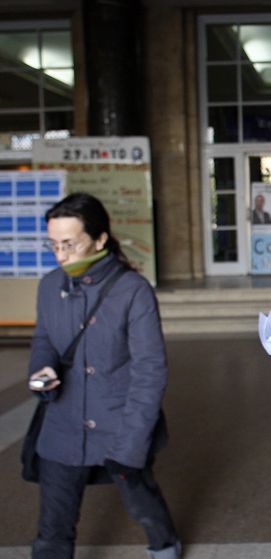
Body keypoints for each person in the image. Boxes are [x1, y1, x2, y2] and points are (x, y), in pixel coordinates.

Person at [27, 193, 180, 559]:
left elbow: (150, 371)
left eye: (69, 244)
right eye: (53, 245)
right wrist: (42, 370)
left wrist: (132, 441)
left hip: (119, 422)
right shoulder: (50, 285)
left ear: (99, 240)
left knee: (141, 501)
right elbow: (43, 339)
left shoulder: (132, 290)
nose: (60, 255)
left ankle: (164, 546)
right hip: (62, 423)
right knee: (52, 526)